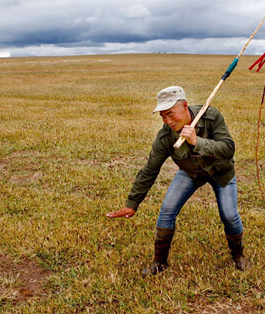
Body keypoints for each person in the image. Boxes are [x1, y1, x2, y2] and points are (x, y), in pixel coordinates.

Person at [107, 86, 250, 275]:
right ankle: (159, 263)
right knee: (166, 211)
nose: (168, 121)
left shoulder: (211, 116)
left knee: (229, 215)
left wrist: (196, 142)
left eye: (170, 114)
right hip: (190, 173)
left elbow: (228, 148)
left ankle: (238, 255)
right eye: (163, 117)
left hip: (220, 172)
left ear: (184, 105)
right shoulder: (165, 137)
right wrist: (133, 203)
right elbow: (150, 170)